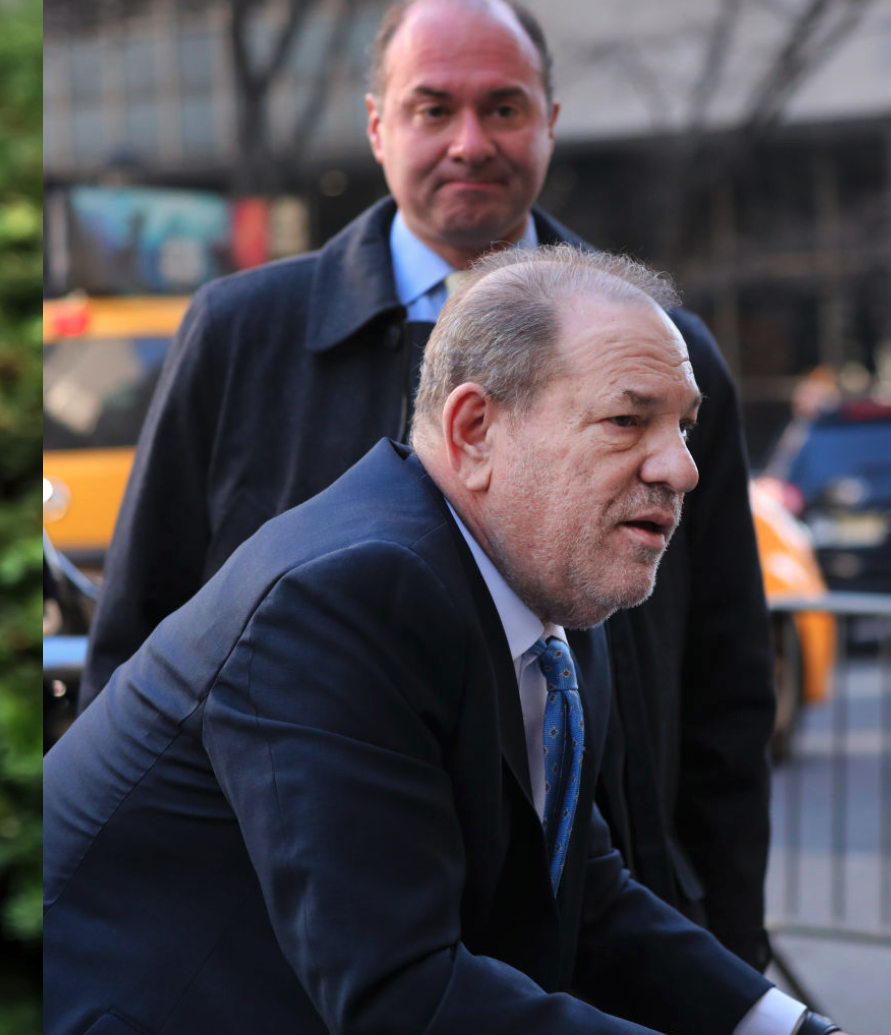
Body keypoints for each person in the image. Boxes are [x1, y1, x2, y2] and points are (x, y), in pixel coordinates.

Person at [81, 0, 775, 969]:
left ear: (549, 121)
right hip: (291, 953)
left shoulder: (670, 359)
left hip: (598, 945)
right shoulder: (242, 336)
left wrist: (730, 962)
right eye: (429, 108)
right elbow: (134, 644)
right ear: (375, 127)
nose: (468, 142)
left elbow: (724, 691)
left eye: (502, 108)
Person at [46, 246, 843, 1035]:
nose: (680, 468)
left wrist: (790, 1029)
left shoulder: (548, 586)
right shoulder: (342, 597)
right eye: (627, 420)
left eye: (682, 427)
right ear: (474, 429)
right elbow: (402, 996)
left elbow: (587, 892)